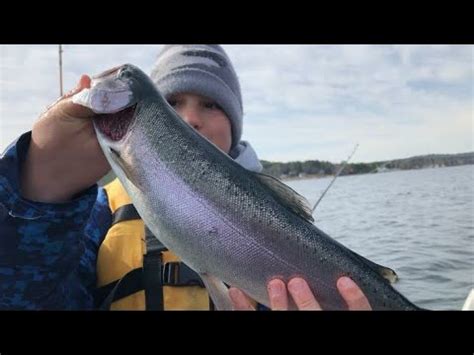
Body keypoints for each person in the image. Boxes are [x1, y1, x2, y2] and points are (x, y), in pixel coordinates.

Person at [0, 45, 371, 310]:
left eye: (210, 104)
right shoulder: (95, 214)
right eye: (172, 103)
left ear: (235, 123)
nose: (190, 118)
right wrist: (41, 191)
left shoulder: (288, 235)